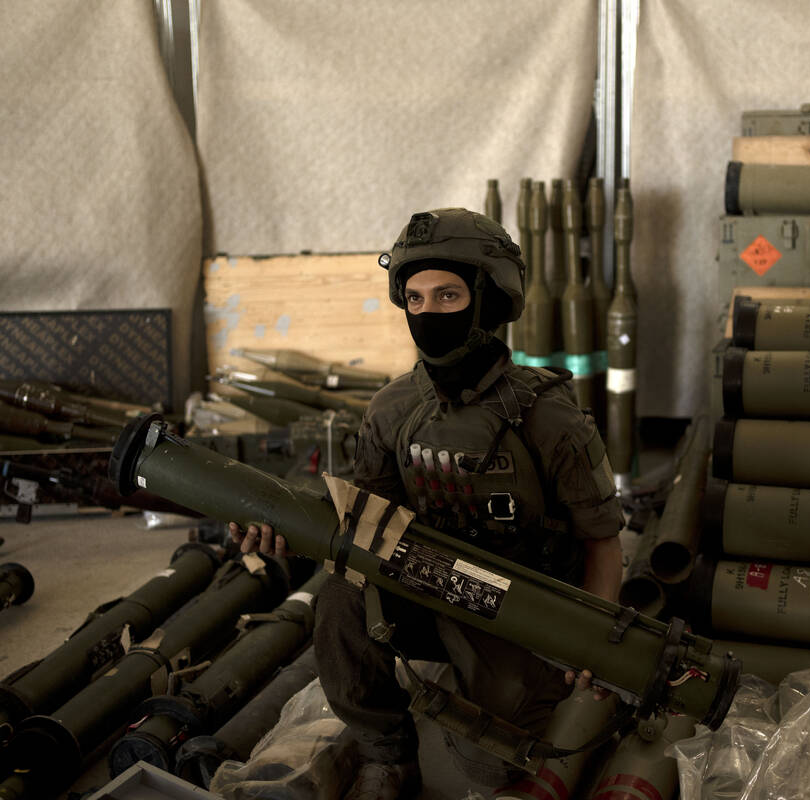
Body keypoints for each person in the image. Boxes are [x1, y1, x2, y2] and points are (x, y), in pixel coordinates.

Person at [231, 207, 622, 800]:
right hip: (425, 591)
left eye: (447, 295)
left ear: (490, 299)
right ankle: (386, 755)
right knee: (339, 595)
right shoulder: (392, 410)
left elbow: (602, 538)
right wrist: (291, 528)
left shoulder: (547, 414)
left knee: (495, 770)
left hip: (522, 613)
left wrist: (589, 640)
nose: (428, 313)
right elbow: (364, 525)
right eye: (414, 299)